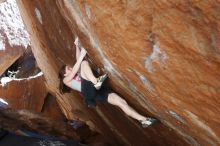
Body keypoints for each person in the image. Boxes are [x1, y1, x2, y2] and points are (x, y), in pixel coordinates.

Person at [58, 38, 158, 128]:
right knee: (83, 63)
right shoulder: (66, 80)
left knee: (121, 102)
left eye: (69, 68)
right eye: (68, 69)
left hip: (98, 93)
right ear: (65, 75)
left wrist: (76, 45)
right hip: (88, 91)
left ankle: (144, 120)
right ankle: (95, 81)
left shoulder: (79, 74)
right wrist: (82, 56)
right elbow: (78, 64)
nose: (71, 69)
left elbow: (77, 59)